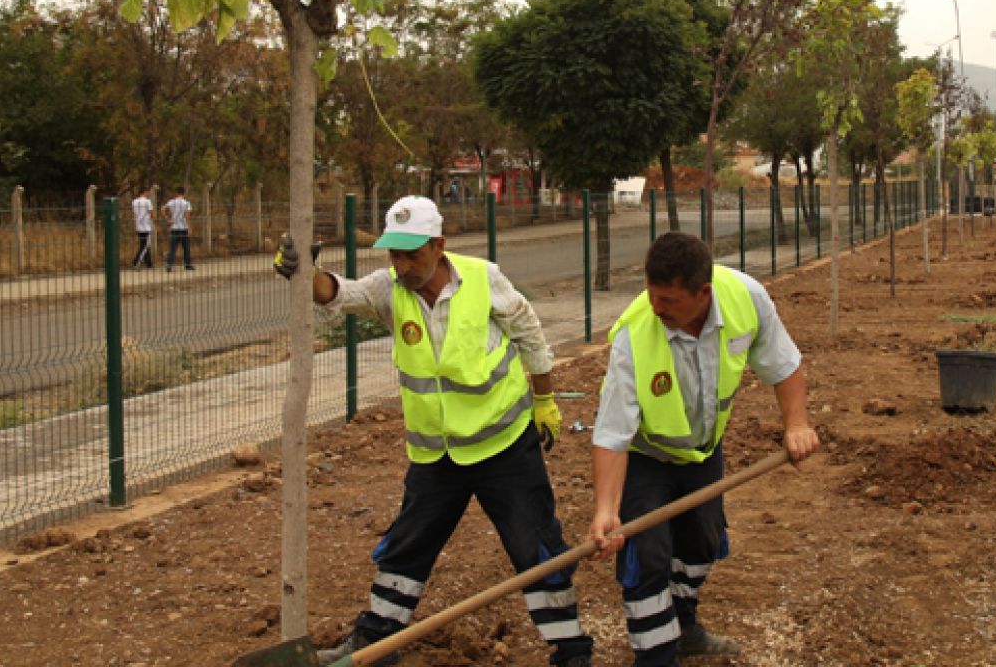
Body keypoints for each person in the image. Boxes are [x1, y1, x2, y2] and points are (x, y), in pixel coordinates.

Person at [274, 195, 594, 667]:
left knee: (537, 546)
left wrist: (544, 398)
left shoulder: (484, 279)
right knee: (408, 546)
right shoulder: (389, 289)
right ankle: (375, 644)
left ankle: (570, 650)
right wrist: (303, 272)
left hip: (503, 446)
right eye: (395, 255)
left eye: (413, 254)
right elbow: (338, 293)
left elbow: (529, 332)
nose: (402, 265)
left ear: (439, 245)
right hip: (436, 456)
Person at [588, 231, 820, 666]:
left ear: (703, 293)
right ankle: (656, 656)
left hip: (702, 453)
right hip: (646, 456)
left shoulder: (745, 299)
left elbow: (784, 366)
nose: (657, 308)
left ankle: (683, 628)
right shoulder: (634, 336)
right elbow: (612, 433)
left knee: (702, 544)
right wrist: (606, 509)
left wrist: (797, 425)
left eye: (670, 300)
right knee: (647, 556)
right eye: (652, 295)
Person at [163, 186, 193, 271]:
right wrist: (189, 227)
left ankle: (169, 264)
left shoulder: (171, 202)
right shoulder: (186, 203)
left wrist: (167, 219)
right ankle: (188, 265)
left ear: (176, 193)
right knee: (186, 247)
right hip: (183, 227)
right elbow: (187, 215)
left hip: (174, 227)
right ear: (184, 193)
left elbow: (162, 209)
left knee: (172, 248)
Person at [131, 187, 155, 269]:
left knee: (143, 244)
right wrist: (152, 217)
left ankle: (149, 263)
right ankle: (136, 261)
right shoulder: (148, 201)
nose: (148, 194)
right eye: (147, 192)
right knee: (145, 245)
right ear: (144, 192)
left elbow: (133, 212)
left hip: (138, 225)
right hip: (146, 225)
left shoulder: (134, 201)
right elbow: (151, 212)